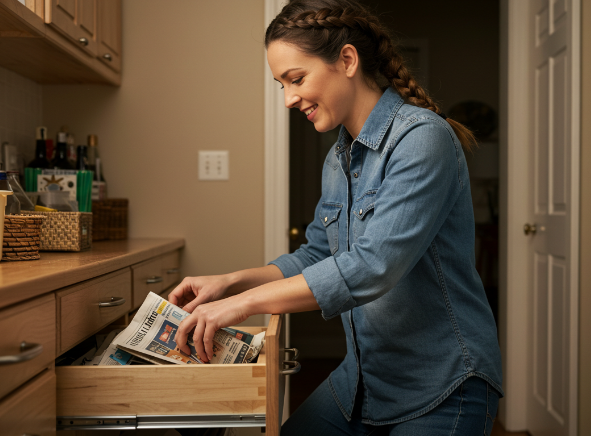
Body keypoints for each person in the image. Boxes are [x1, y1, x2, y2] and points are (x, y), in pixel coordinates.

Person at [169, 0, 503, 434]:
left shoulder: (422, 140)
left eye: (296, 79)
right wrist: (230, 281)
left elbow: (371, 267)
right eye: (281, 85)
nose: (288, 98)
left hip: (440, 385)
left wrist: (239, 306)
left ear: (347, 60)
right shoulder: (338, 159)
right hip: (364, 380)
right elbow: (316, 255)